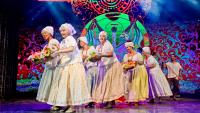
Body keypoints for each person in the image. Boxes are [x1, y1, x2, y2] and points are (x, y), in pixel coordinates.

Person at [47, 23, 91, 112]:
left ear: (69, 31)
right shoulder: (63, 41)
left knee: (72, 85)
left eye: (64, 30)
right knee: (65, 86)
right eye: (61, 31)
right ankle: (67, 105)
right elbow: (59, 52)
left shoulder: (70, 39)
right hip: (66, 64)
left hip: (73, 64)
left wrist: (59, 51)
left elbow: (71, 49)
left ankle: (73, 106)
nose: (62, 32)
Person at [93, 31, 125, 108]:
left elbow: (110, 54)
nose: (101, 37)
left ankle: (110, 102)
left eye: (103, 36)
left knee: (110, 84)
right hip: (104, 66)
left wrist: (100, 55)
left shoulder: (108, 44)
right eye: (100, 36)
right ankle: (110, 100)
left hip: (112, 66)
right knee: (105, 83)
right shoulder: (98, 47)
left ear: (106, 37)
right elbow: (97, 57)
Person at [36, 26, 60, 103]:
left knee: (54, 85)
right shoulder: (47, 44)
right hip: (49, 66)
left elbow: (57, 53)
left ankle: (56, 102)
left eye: (45, 33)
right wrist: (37, 59)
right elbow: (45, 55)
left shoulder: (54, 41)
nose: (44, 35)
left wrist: (46, 58)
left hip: (54, 66)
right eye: (43, 34)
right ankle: (53, 102)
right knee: (50, 85)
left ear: (50, 33)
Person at [122, 41, 149, 105]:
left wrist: (135, 62)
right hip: (130, 71)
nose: (127, 49)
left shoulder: (137, 54)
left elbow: (141, 62)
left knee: (136, 85)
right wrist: (126, 66)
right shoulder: (126, 55)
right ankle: (129, 99)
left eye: (128, 47)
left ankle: (136, 100)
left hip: (138, 71)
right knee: (129, 85)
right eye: (126, 48)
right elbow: (124, 63)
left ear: (132, 47)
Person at [78, 36, 98, 108]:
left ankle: (93, 101)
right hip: (86, 69)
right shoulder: (81, 51)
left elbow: (96, 57)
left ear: (85, 41)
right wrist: (83, 59)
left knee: (94, 85)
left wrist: (88, 57)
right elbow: (80, 61)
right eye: (79, 42)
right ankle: (88, 101)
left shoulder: (91, 48)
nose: (80, 43)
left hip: (94, 67)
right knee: (88, 85)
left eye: (81, 41)